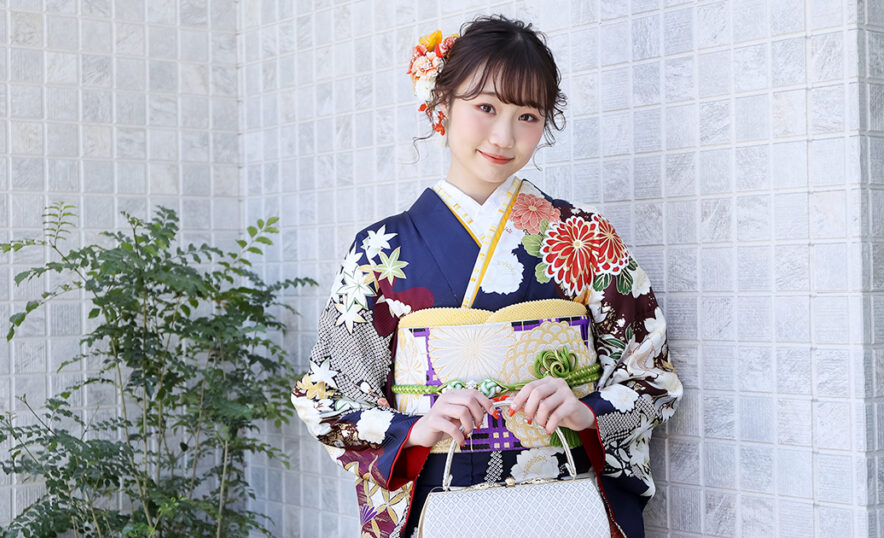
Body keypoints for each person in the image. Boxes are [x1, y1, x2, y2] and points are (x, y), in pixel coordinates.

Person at [291, 15, 682, 538]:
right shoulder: (381, 250)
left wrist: (585, 412)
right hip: (439, 506)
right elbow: (327, 398)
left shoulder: (584, 236)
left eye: (528, 115)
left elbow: (652, 378)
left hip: (569, 503)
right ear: (441, 104)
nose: (504, 136)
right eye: (486, 107)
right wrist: (416, 429)